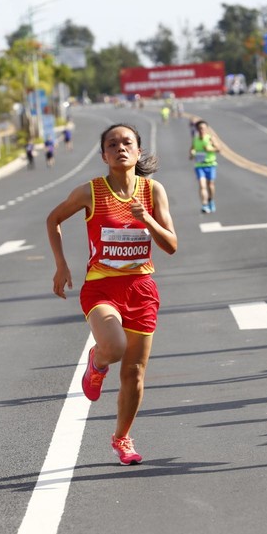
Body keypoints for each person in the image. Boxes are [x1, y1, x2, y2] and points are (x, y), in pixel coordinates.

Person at [46, 124, 177, 465]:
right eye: (112, 144)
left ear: (138, 151)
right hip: (101, 287)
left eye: (127, 143)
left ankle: (122, 438)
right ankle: (98, 361)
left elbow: (171, 245)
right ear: (103, 155)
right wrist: (61, 265)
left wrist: (146, 219)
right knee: (115, 347)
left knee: (134, 374)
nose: (120, 148)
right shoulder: (91, 192)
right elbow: (53, 219)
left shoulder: (153, 191)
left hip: (141, 288)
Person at [189, 120, 220, 213]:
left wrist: (211, 148)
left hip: (210, 164)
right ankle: (204, 204)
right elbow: (191, 151)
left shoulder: (211, 138)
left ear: (207, 129)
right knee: (202, 185)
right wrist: (192, 153)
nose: (202, 130)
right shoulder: (195, 139)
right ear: (197, 129)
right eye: (200, 128)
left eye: (203, 128)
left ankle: (211, 200)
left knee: (210, 184)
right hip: (199, 165)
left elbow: (219, 149)